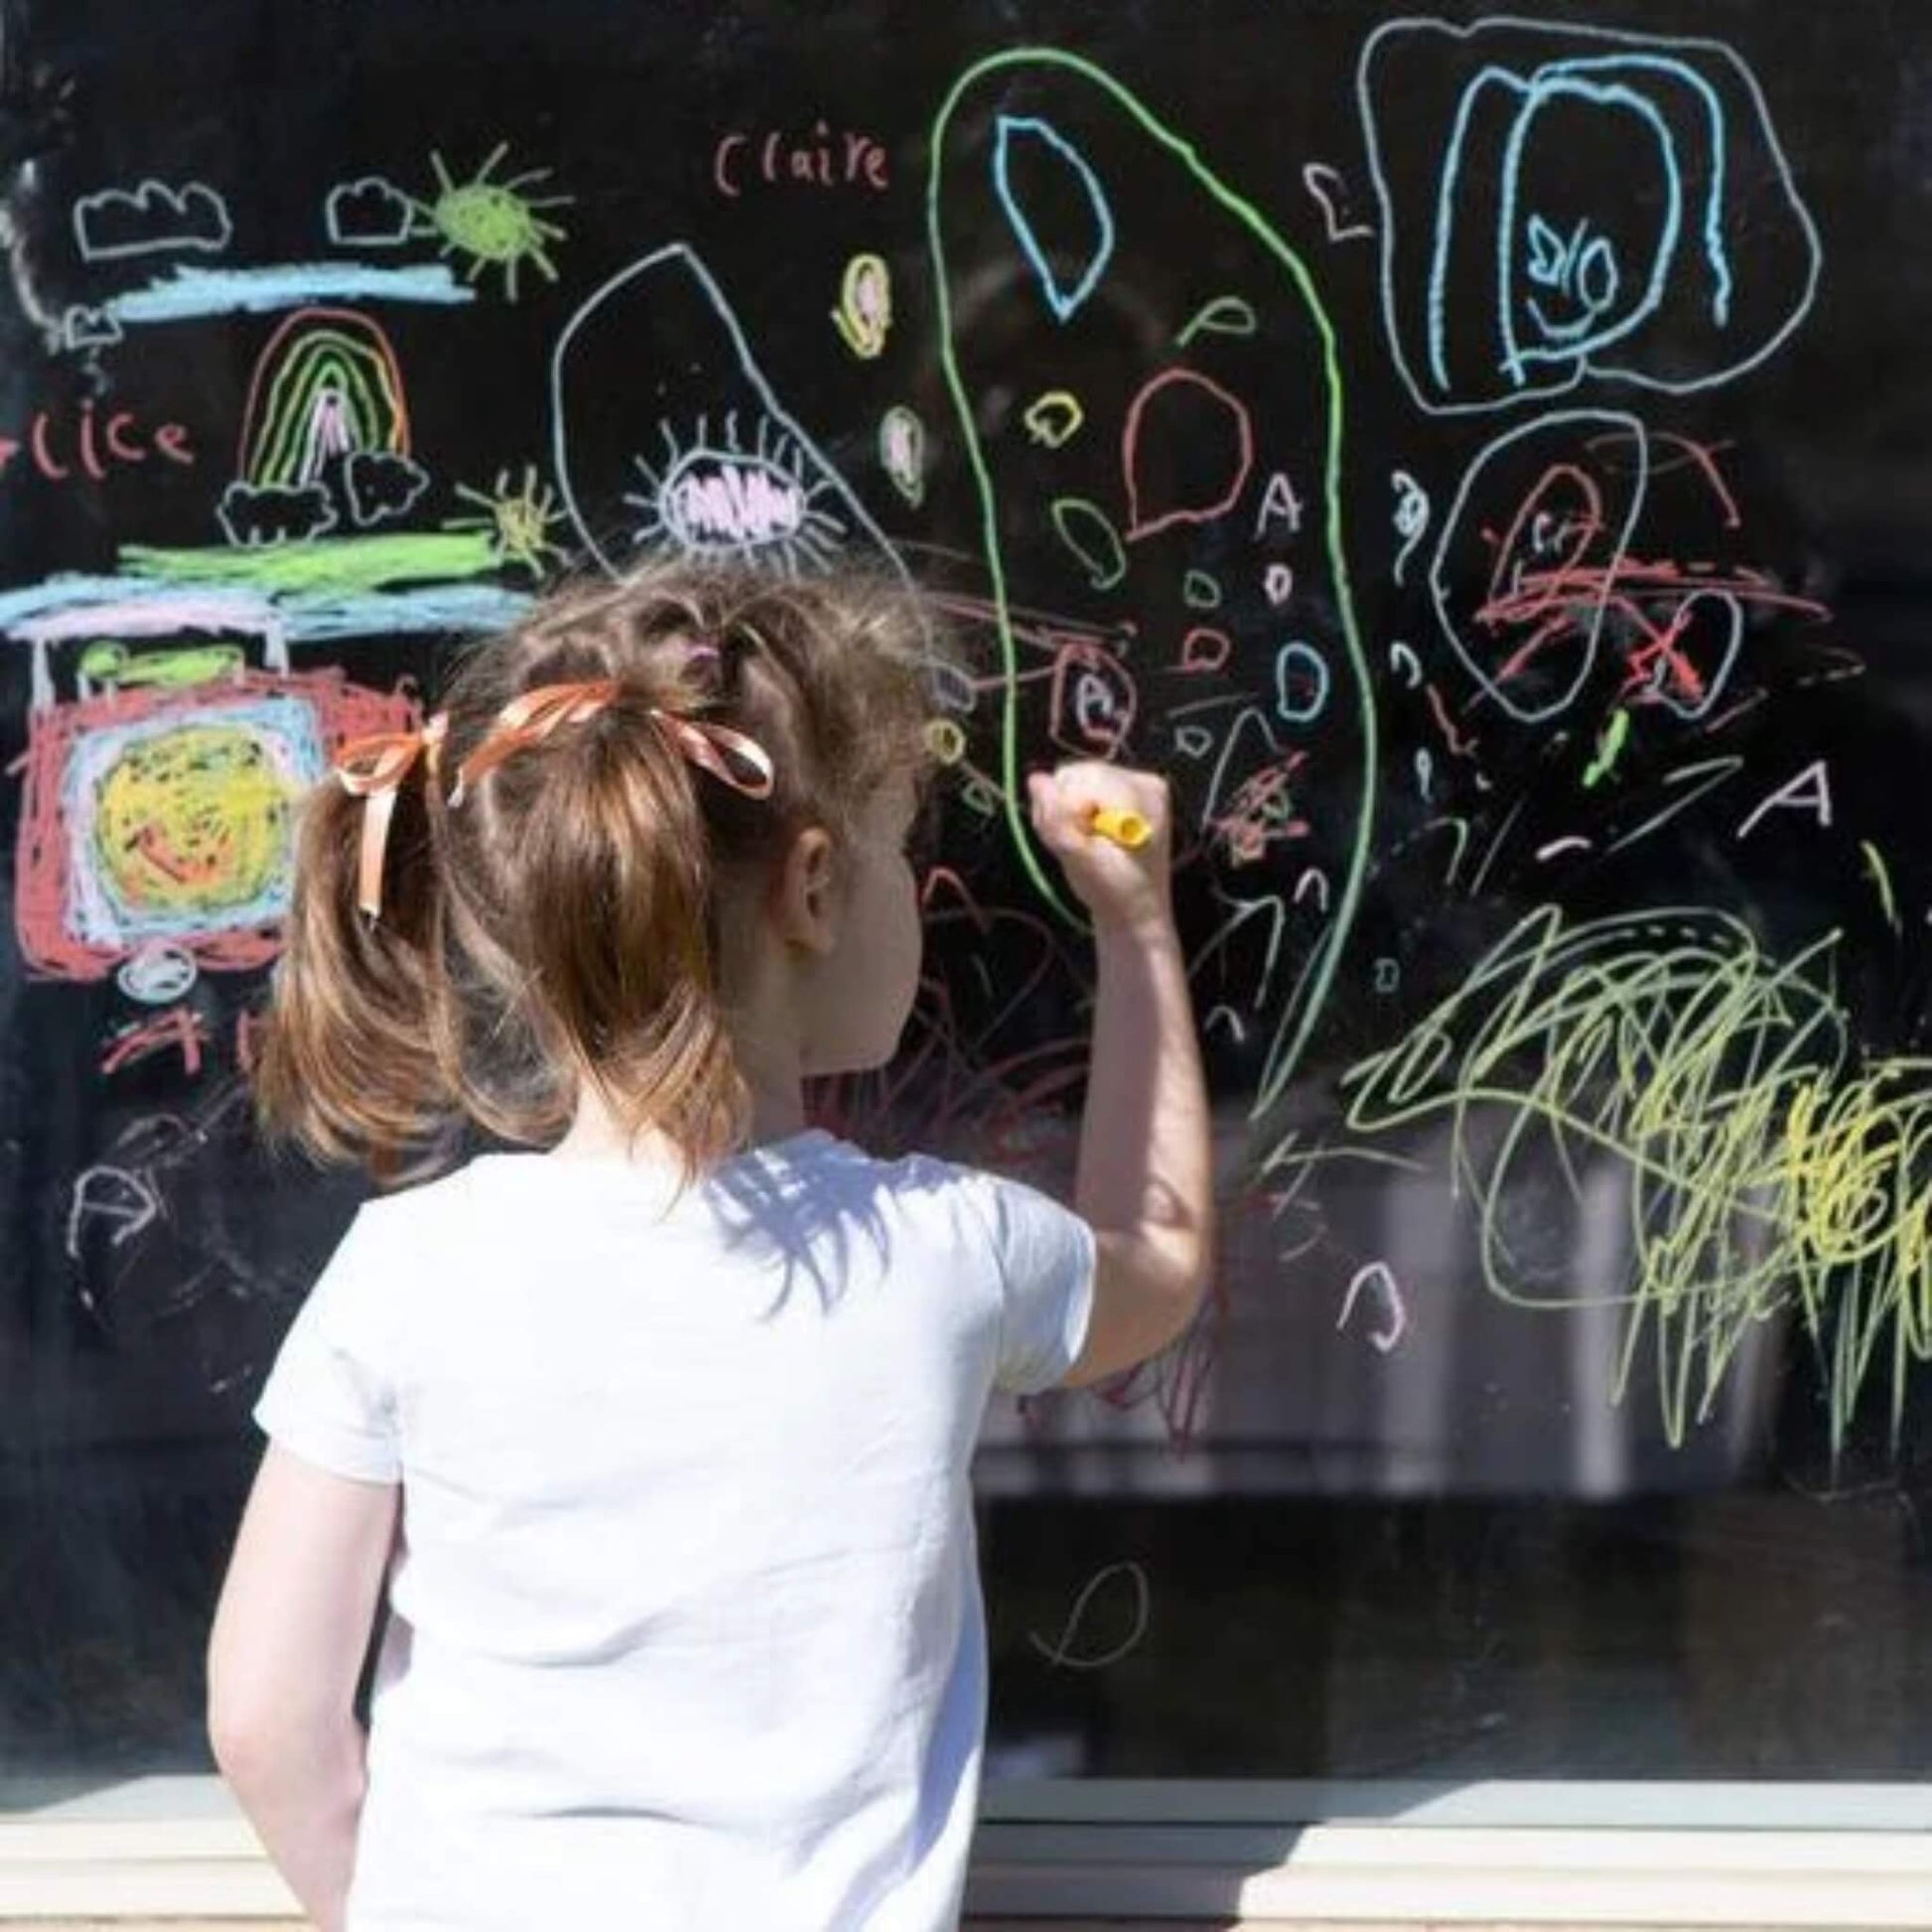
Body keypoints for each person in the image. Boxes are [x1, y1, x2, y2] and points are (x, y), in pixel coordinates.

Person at [206, 559, 1212, 1931]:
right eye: (901, 856)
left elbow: (268, 1714)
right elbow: (1154, 1255)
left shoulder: (407, 1268)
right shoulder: (937, 1252)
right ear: (812, 888)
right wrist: (1136, 924)